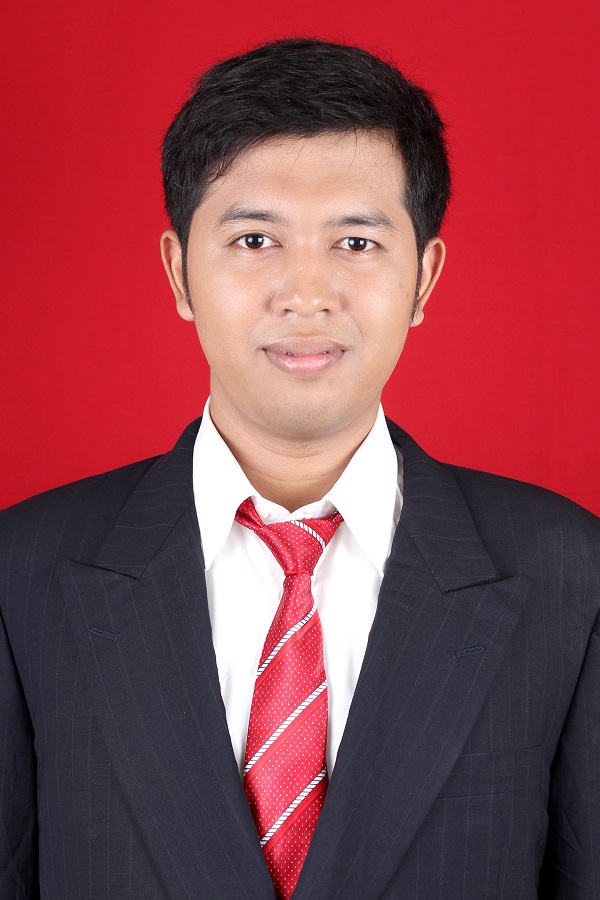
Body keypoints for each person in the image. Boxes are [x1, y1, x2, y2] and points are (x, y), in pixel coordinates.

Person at [1, 37, 599, 900]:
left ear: (424, 278)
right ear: (179, 272)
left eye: (355, 241)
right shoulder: (22, 575)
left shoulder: (568, 575)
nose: (306, 293)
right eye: (255, 239)